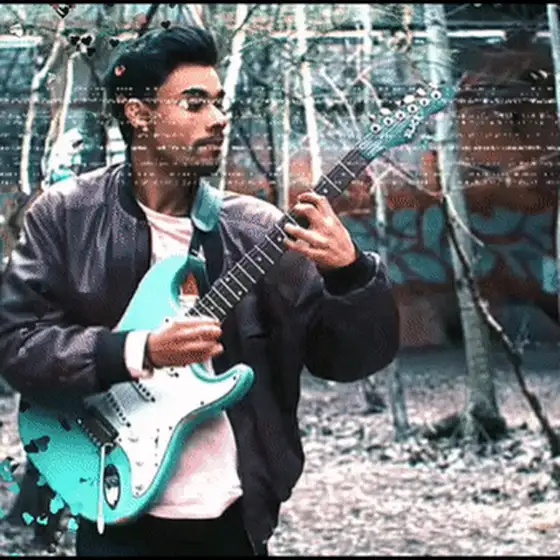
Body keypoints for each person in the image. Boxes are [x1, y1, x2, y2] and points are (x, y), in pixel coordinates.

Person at [0, 25, 399, 556]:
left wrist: (350, 275)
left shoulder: (257, 230)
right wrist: (139, 350)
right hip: (111, 500)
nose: (218, 119)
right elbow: (17, 346)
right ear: (138, 114)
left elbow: (349, 360)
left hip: (232, 522)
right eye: (195, 104)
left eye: (219, 102)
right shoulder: (67, 216)